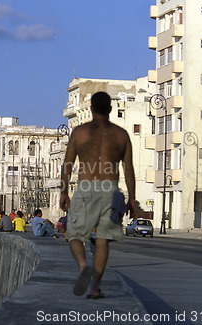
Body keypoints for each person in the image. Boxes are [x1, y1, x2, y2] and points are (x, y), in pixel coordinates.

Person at [60, 91, 137, 299]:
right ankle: (95, 288)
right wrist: (132, 199)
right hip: (110, 189)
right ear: (110, 109)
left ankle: (83, 265)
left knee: (74, 235)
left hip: (86, 186)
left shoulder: (80, 132)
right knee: (102, 239)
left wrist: (64, 191)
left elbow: (68, 164)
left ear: (91, 108)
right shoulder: (121, 135)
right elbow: (128, 169)